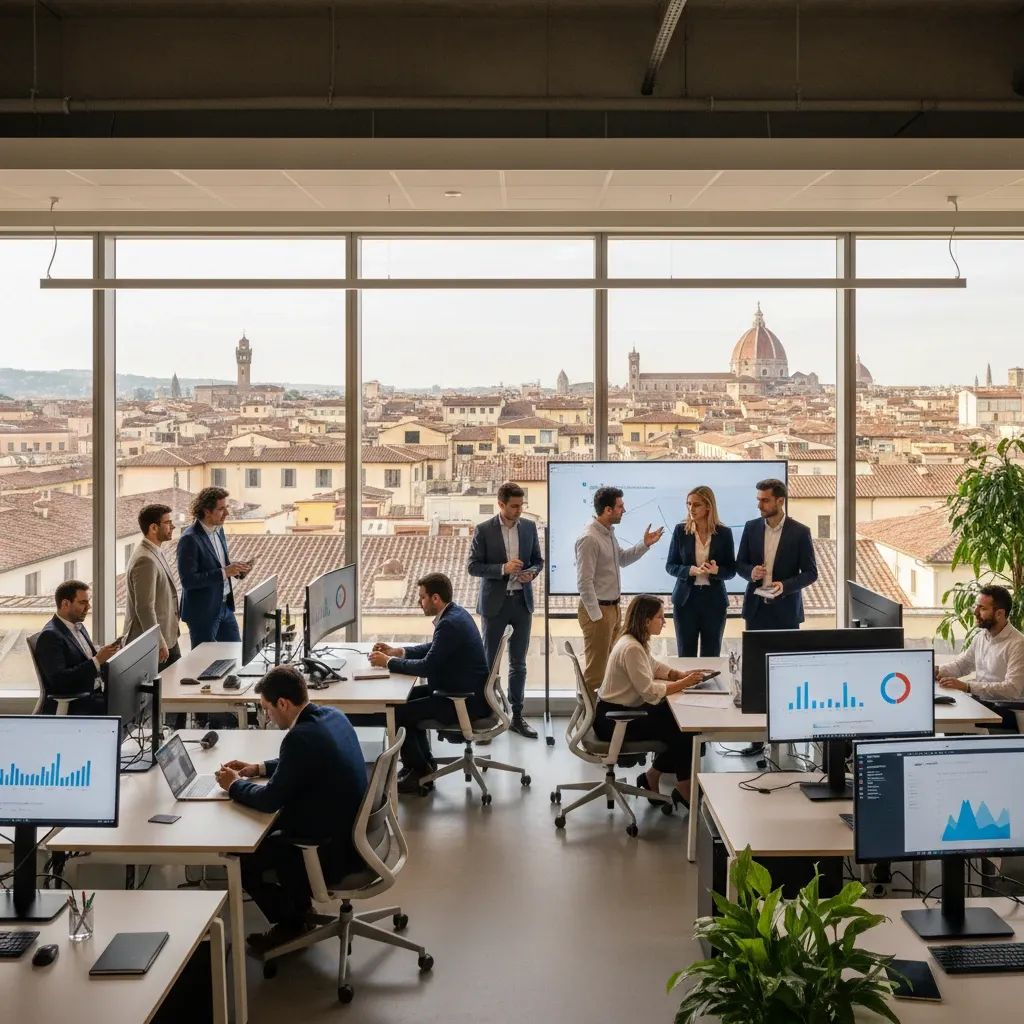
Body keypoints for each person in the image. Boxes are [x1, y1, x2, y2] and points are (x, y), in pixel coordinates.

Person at [215, 665, 368, 954]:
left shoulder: (298, 739)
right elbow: (302, 761)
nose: (267, 718)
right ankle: (297, 913)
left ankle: (291, 924)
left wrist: (233, 785)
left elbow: (270, 799)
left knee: (241, 858)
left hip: (331, 852)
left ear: (282, 703)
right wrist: (258, 768)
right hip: (357, 838)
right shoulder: (332, 716)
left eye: (267, 710)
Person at [369, 573, 489, 795]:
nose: (419, 602)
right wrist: (399, 652)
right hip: (459, 690)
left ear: (435, 598)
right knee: (406, 700)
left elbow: (426, 666)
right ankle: (423, 765)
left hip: (462, 699)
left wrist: (389, 662)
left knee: (398, 714)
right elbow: (433, 649)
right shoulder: (455, 614)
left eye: (422, 597)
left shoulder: (450, 624)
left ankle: (418, 772)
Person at [595, 594, 706, 808]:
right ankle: (683, 788)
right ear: (646, 620)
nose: (664, 622)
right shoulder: (632, 648)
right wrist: (685, 683)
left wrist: (679, 675)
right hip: (615, 719)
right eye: (660, 617)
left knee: (682, 725)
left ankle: (653, 776)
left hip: (622, 711)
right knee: (684, 731)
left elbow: (653, 666)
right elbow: (649, 691)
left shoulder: (635, 641)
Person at [735, 478, 818, 756]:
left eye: (765, 500)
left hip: (785, 611)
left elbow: (811, 573)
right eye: (758, 500)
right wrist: (751, 573)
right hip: (756, 610)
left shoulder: (800, 532)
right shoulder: (750, 528)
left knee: (786, 677)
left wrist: (785, 586)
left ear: (780, 501)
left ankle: (788, 735)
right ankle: (757, 737)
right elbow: (739, 564)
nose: (759, 505)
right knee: (757, 675)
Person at [467, 481, 544, 738]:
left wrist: (530, 574)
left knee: (518, 663)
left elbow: (538, 561)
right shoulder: (484, 530)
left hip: (522, 602)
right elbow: (473, 567)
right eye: (514, 506)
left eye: (521, 505)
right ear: (501, 504)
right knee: (490, 664)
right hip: (494, 604)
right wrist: (503, 569)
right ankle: (487, 718)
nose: (519, 510)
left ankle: (517, 717)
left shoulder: (530, 527)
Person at [575, 486, 664, 691]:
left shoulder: (608, 533)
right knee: (596, 672)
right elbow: (584, 582)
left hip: (612, 609)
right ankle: (590, 721)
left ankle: (601, 718)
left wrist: (645, 544)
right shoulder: (589, 538)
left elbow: (622, 559)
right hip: (598, 610)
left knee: (610, 669)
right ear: (608, 510)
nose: (624, 510)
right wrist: (597, 616)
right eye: (620, 506)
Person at [665, 485, 736, 657]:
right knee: (685, 654)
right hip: (685, 602)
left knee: (711, 655)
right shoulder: (680, 531)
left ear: (708, 506)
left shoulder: (724, 533)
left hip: (714, 602)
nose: (691, 509)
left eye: (696, 505)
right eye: (688, 504)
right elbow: (670, 565)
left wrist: (716, 570)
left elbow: (731, 571)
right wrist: (690, 570)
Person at [176, 486, 252, 646]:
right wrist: (225, 572)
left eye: (227, 508)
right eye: (221, 509)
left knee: (236, 654)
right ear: (206, 511)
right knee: (205, 664)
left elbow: (219, 564)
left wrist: (237, 569)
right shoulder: (189, 539)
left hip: (225, 607)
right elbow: (188, 581)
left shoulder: (219, 530)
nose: (227, 513)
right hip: (203, 612)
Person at [937, 586, 1024, 724]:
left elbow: (1012, 689)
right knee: (943, 707)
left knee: (951, 719)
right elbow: (962, 665)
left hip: (1005, 711)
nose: (975, 612)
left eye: (982, 609)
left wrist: (968, 687)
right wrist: (936, 670)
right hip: (982, 703)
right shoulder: (981, 636)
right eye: (976, 607)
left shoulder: (1018, 644)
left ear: (1000, 613)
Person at [33, 580, 121, 714]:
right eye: (82, 603)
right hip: (79, 701)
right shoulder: (50, 636)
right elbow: (60, 680)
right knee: (123, 704)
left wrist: (107, 654)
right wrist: (97, 660)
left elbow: (83, 659)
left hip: (93, 692)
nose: (88, 607)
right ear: (65, 604)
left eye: (88, 602)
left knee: (129, 691)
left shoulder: (78, 626)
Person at [123, 503, 181, 670]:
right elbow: (145, 608)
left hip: (168, 639)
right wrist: (159, 641)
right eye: (168, 523)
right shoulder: (145, 560)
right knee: (163, 694)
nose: (173, 526)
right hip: (154, 644)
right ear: (154, 527)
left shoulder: (155, 551)